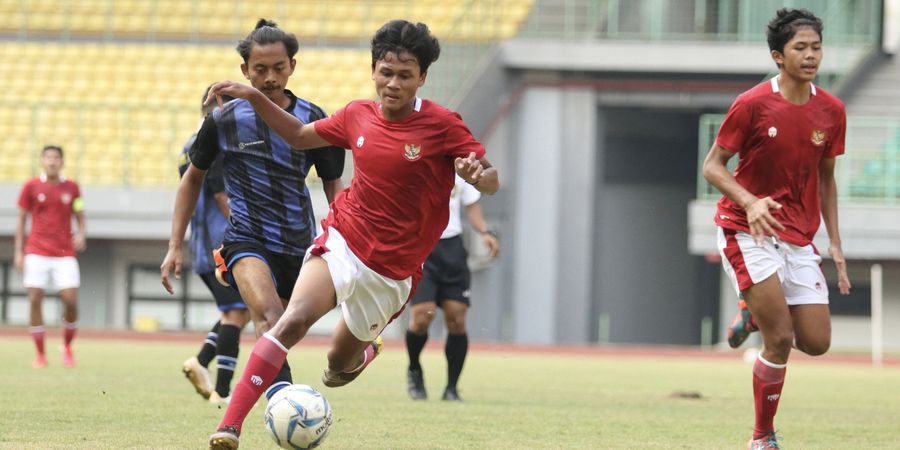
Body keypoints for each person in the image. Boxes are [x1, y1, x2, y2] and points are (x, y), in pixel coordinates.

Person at [203, 19, 500, 449]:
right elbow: (300, 135)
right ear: (373, 69)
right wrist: (252, 96)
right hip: (344, 239)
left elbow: (489, 178)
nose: (392, 83)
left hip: (392, 273)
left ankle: (364, 352)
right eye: (385, 72)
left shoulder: (442, 125)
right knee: (293, 320)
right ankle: (230, 426)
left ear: (422, 78)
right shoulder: (356, 114)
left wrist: (480, 175)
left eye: (404, 75)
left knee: (336, 369)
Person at [160, 19, 345, 410]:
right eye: (260, 69)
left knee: (286, 326)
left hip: (299, 244)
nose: (270, 77)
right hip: (246, 239)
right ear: (245, 70)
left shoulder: (314, 119)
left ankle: (267, 387)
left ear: (292, 65)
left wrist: (344, 239)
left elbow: (333, 185)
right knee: (268, 316)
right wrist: (175, 244)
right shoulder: (223, 121)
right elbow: (192, 180)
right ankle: (286, 403)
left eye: (278, 68)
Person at [701, 8, 851, 449]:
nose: (810, 56)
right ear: (777, 56)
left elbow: (827, 180)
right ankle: (762, 437)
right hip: (746, 229)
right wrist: (749, 202)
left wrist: (836, 245)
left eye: (816, 47)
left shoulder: (832, 110)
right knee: (781, 338)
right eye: (800, 48)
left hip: (798, 238)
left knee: (817, 342)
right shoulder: (752, 104)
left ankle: (752, 312)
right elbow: (712, 166)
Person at [178, 87, 251, 405]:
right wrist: (244, 228)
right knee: (237, 313)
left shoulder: (188, 145)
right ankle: (222, 392)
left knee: (239, 311)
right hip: (220, 243)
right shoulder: (214, 141)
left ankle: (201, 361)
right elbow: (222, 196)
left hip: (203, 241)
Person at [405, 174, 499, 401]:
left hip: (452, 248)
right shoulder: (417, 158)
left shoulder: (461, 165)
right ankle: (415, 369)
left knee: (456, 318)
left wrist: (485, 232)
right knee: (422, 315)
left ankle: (451, 388)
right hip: (422, 245)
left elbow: (472, 205)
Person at [15, 145, 86, 369]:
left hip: (65, 253)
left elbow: (80, 213)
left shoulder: (72, 187)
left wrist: (82, 233)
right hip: (36, 251)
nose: (52, 161)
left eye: (56, 158)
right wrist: (19, 251)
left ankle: (66, 347)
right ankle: (40, 354)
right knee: (35, 299)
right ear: (42, 161)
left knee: (70, 300)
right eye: (48, 158)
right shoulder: (31, 186)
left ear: (62, 162)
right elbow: (21, 220)